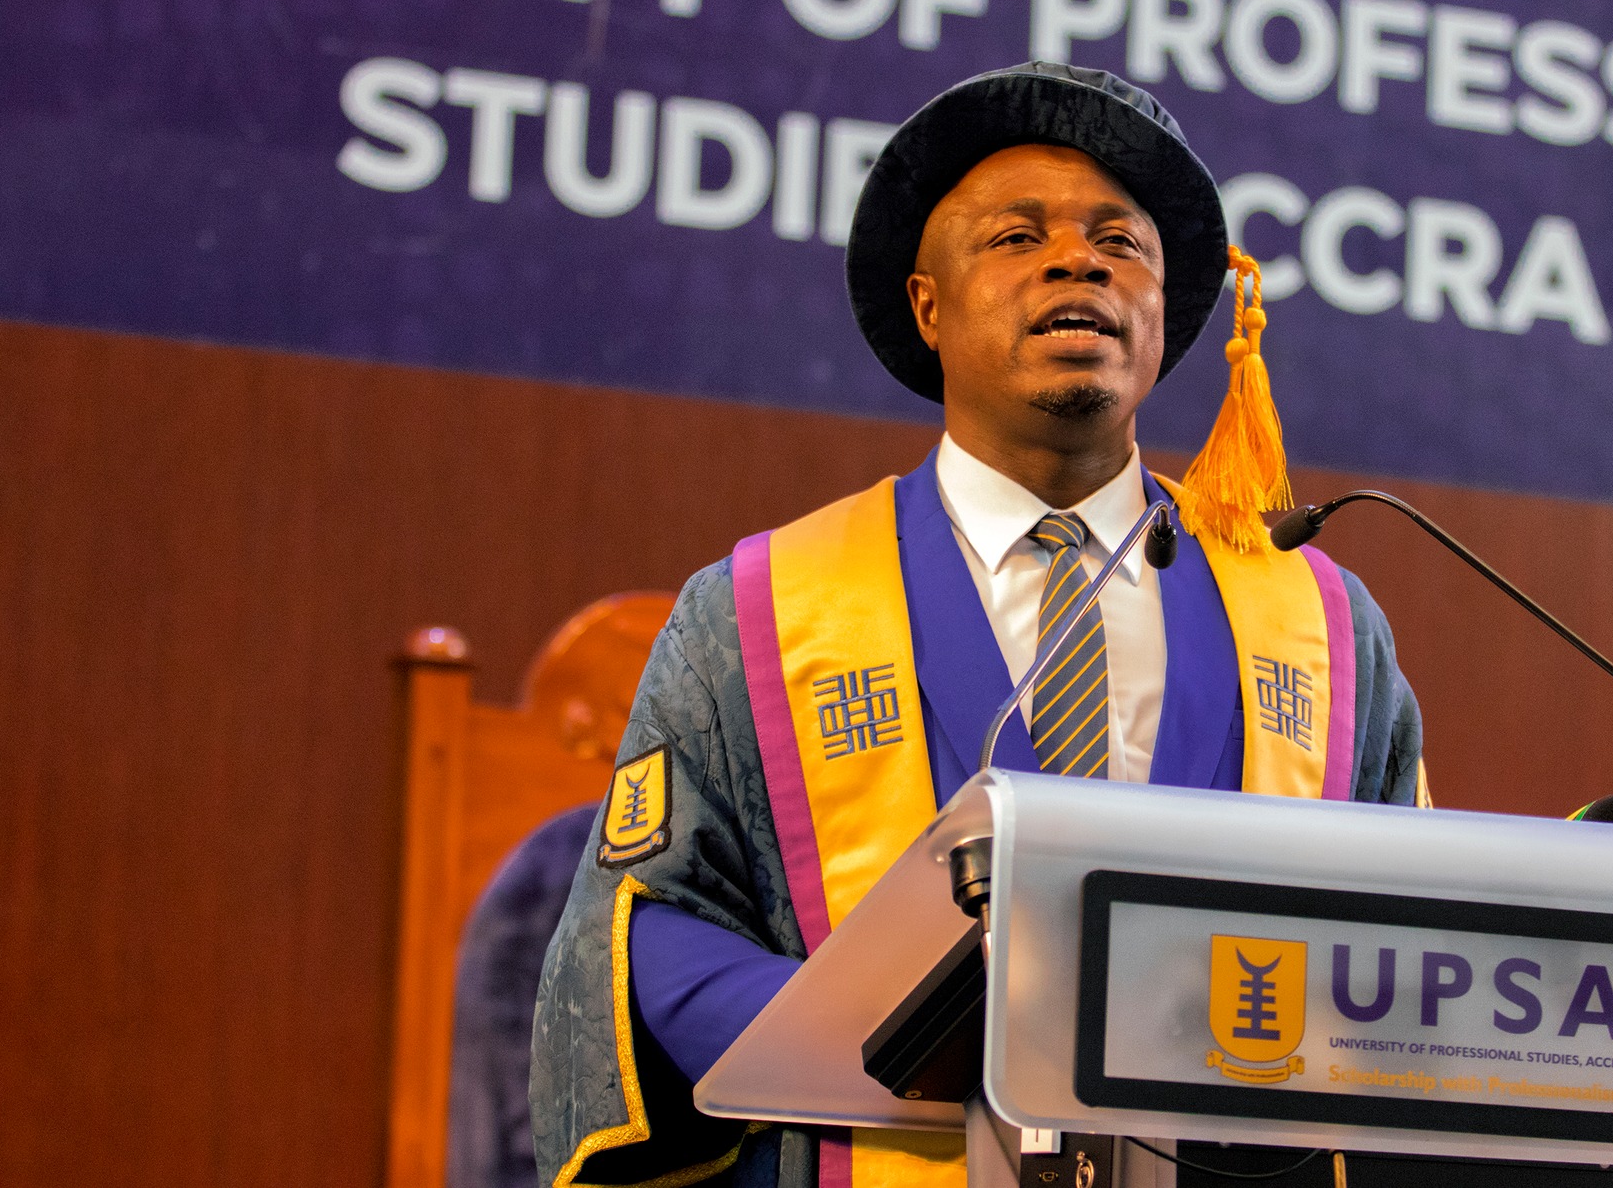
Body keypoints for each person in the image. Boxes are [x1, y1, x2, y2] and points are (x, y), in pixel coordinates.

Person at [531, 63, 1424, 1188]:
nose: (1077, 260)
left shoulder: (1321, 625)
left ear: (1166, 312)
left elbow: (1413, 943)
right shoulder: (760, 610)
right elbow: (649, 919)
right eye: (1016, 237)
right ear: (928, 306)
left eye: (1120, 242)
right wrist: (907, 1035)